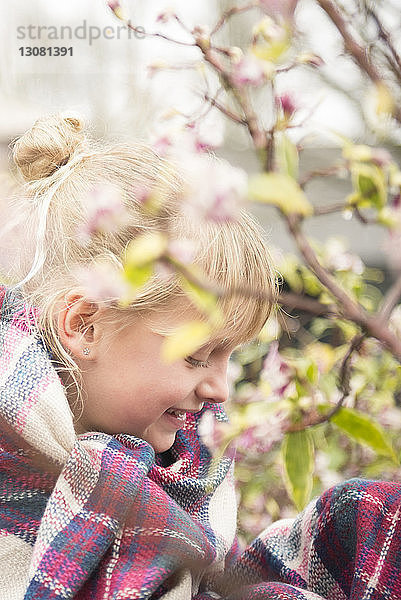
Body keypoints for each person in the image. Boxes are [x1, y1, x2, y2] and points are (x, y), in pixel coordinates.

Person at [1, 114, 400, 600]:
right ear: (86, 324)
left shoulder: (189, 472)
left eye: (228, 356)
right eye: (196, 357)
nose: (221, 389)